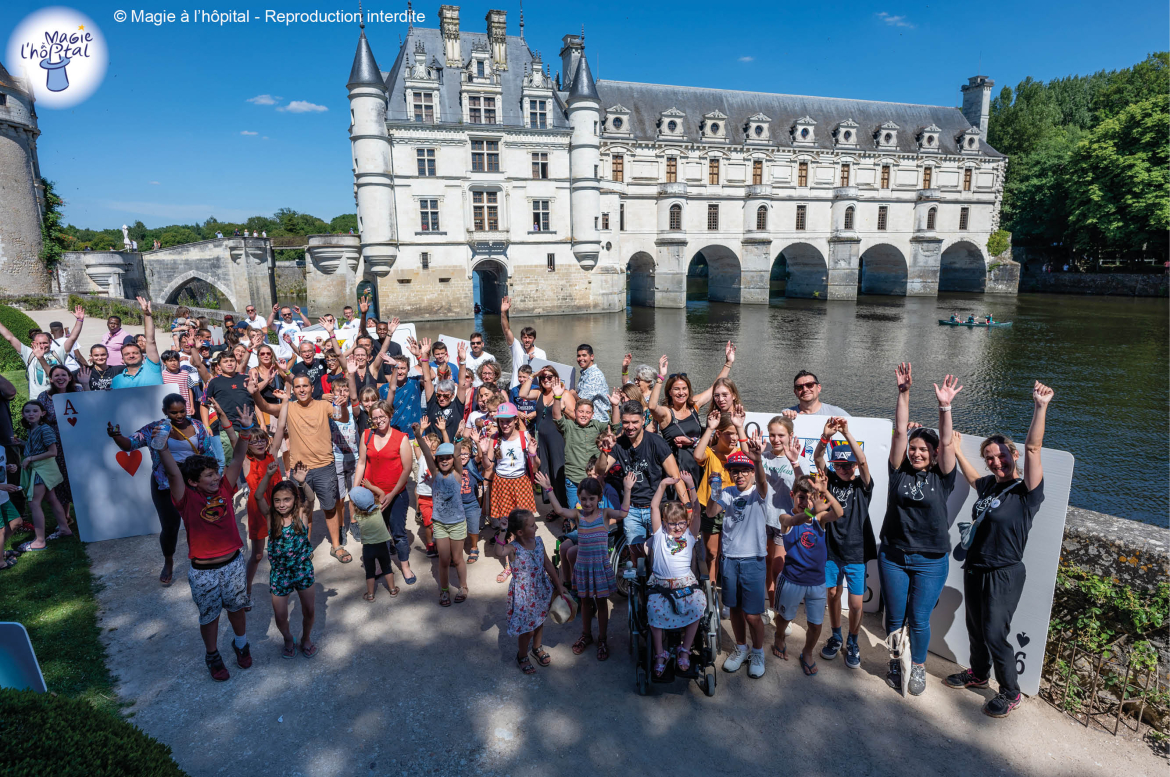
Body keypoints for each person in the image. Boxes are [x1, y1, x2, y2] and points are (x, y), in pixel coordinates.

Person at [946, 382, 1053, 718]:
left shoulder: (1027, 491)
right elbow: (975, 479)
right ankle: (978, 675)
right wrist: (961, 451)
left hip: (1005, 572)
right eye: (990, 458)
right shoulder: (991, 485)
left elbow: (1035, 448)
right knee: (975, 628)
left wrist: (1040, 406)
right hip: (976, 567)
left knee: (995, 633)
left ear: (1014, 455)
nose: (996, 462)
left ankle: (1010, 691)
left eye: (1001, 456)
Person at [156, 404, 255, 681]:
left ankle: (241, 643)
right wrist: (161, 447)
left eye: (215, 473)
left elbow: (236, 459)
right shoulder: (185, 498)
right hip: (203, 571)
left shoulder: (225, 487)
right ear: (193, 482)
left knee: (236, 608)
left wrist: (245, 431)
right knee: (209, 616)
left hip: (233, 564)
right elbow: (174, 473)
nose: (215, 478)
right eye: (208, 476)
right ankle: (212, 655)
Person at [880, 362, 962, 697]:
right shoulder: (898, 471)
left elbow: (945, 438)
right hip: (894, 555)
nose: (916, 452)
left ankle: (918, 667)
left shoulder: (943, 476)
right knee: (895, 617)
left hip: (930, 559)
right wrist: (903, 393)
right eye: (914, 448)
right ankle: (895, 660)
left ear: (935, 454)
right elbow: (900, 432)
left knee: (919, 619)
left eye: (923, 449)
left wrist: (945, 406)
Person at [110, 393, 218, 585]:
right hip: (165, 484)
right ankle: (168, 561)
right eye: (173, 412)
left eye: (182, 411)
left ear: (188, 408)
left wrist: (212, 480)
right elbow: (130, 444)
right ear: (165, 412)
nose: (179, 415)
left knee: (202, 520)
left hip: (194, 483)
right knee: (170, 527)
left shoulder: (198, 427)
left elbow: (208, 455)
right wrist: (117, 436)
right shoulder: (156, 428)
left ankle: (205, 557)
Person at [251, 375, 350, 564]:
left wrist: (343, 405)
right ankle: (305, 547)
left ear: (312, 388)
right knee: (304, 510)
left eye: (305, 386)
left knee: (330, 508)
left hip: (325, 466)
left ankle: (336, 545)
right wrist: (255, 392)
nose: (302, 389)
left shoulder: (323, 405)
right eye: (298, 387)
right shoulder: (289, 407)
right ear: (293, 390)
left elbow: (342, 418)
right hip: (299, 470)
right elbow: (265, 407)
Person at [537, 469, 633, 663]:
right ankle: (586, 635)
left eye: (591, 498)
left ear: (599, 498)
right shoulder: (578, 515)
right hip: (582, 568)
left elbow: (623, 512)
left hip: (599, 568)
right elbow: (559, 511)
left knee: (601, 604)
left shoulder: (605, 514)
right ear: (579, 499)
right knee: (586, 603)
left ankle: (602, 639)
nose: (587, 503)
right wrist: (548, 489)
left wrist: (627, 489)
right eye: (583, 499)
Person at [705, 441, 775, 679]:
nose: (739, 475)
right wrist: (714, 492)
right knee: (733, 608)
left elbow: (763, 482)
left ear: (752, 472)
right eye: (735, 470)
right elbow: (711, 512)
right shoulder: (727, 492)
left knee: (753, 614)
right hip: (730, 559)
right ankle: (741, 648)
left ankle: (757, 652)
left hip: (753, 560)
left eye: (744, 470)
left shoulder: (760, 492)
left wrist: (756, 460)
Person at [812, 418, 875, 670]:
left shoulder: (863, 485)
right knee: (832, 594)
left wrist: (847, 433)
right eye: (839, 465)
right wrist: (825, 437)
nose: (845, 469)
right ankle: (837, 635)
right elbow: (817, 458)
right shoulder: (830, 479)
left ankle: (854, 640)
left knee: (857, 603)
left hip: (856, 552)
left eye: (848, 465)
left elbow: (863, 462)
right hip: (831, 550)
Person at [771, 473, 844, 677]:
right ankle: (779, 638)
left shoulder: (818, 519)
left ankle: (807, 652)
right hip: (791, 580)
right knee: (784, 617)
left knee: (816, 624)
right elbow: (795, 519)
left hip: (817, 583)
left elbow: (838, 513)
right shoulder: (785, 518)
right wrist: (813, 510)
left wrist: (826, 492)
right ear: (793, 495)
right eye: (801, 497)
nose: (805, 502)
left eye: (810, 497)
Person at [595, 399, 688, 555]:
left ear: (643, 420)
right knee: (635, 551)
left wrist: (688, 509)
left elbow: (675, 477)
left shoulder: (656, 443)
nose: (630, 427)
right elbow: (600, 470)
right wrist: (604, 452)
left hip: (656, 507)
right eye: (626, 422)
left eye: (635, 422)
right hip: (632, 508)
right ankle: (638, 579)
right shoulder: (618, 444)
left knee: (659, 552)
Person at [645, 471, 705, 677]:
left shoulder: (689, 534)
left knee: (698, 603)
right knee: (653, 609)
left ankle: (685, 649)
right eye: (673, 523)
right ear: (664, 523)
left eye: (681, 523)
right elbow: (654, 506)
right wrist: (662, 485)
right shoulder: (660, 534)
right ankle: (660, 654)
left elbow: (696, 511)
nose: (677, 527)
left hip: (685, 582)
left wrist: (690, 486)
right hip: (661, 583)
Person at [256, 459, 318, 659]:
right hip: (280, 573)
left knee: (309, 610)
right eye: (277, 500)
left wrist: (302, 482)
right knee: (281, 615)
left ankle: (306, 638)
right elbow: (258, 496)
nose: (282, 504)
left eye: (287, 499)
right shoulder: (271, 517)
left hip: (302, 569)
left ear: (294, 500)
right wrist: (267, 475)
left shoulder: (301, 514)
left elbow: (311, 498)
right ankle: (288, 638)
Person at [353, 400, 416, 586]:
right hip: (371, 496)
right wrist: (356, 490)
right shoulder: (366, 435)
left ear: (389, 415)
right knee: (375, 535)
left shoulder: (401, 438)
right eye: (375, 417)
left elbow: (407, 469)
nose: (378, 420)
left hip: (396, 494)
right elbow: (362, 463)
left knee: (398, 533)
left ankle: (404, 566)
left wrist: (392, 493)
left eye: (382, 416)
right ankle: (381, 565)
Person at [478, 402, 541, 584]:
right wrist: (483, 452)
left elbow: (535, 466)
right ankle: (509, 565)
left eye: (508, 421)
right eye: (501, 421)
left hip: (521, 483)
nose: (504, 425)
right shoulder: (495, 438)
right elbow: (488, 465)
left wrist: (532, 454)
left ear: (515, 420)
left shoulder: (524, 436)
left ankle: (529, 559)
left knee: (526, 524)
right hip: (502, 484)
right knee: (506, 526)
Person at [501, 508, 566, 675]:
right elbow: (499, 551)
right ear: (520, 532)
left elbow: (548, 565)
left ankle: (536, 648)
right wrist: (502, 531)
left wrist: (559, 586)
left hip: (541, 589)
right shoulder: (513, 548)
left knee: (539, 621)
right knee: (527, 629)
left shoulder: (539, 541)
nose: (536, 527)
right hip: (523, 595)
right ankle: (522, 655)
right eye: (532, 525)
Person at [413, 426, 468, 606]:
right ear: (437, 460)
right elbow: (426, 453)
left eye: (448, 458)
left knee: (458, 558)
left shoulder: (458, 474)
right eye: (441, 458)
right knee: (443, 560)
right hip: (441, 523)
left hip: (458, 523)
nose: (444, 461)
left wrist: (458, 439)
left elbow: (458, 455)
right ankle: (444, 591)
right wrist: (417, 435)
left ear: (453, 459)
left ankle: (463, 586)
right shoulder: (435, 473)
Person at [694, 407, 743, 598]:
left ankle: (731, 594)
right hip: (710, 507)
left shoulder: (739, 452)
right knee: (712, 553)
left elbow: (751, 460)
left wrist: (741, 430)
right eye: (729, 434)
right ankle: (711, 593)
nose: (734, 438)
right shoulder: (710, 452)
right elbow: (697, 456)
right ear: (720, 433)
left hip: (734, 509)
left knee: (731, 555)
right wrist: (709, 428)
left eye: (736, 434)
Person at [15, 400, 71, 553]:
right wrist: (22, 443)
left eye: (35, 411)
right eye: (27, 411)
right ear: (23, 414)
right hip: (40, 469)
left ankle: (39, 541)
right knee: (52, 499)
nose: (31, 414)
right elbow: (36, 447)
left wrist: (30, 459)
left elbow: (53, 452)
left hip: (42, 470)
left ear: (42, 413)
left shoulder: (44, 429)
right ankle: (64, 529)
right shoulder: (32, 429)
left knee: (34, 503)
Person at [550, 378, 608, 513]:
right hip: (574, 479)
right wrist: (557, 397)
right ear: (575, 412)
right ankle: (574, 531)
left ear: (592, 415)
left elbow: (615, 426)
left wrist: (616, 406)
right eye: (581, 411)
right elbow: (557, 416)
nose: (584, 415)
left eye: (588, 412)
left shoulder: (597, 425)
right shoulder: (568, 426)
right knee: (575, 513)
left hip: (593, 478)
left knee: (595, 513)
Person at [515, 365, 568, 509]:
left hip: (557, 439)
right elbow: (522, 394)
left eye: (549, 377)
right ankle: (554, 506)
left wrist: (565, 409)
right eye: (543, 377)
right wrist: (532, 375)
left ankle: (565, 508)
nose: (546, 379)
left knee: (558, 472)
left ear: (556, 378)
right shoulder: (539, 393)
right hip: (541, 439)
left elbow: (574, 416)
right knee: (545, 472)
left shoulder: (564, 394)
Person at [36, 364, 84, 522]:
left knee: (80, 476)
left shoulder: (78, 391)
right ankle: (66, 517)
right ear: (50, 379)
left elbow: (92, 408)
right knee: (61, 479)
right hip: (55, 445)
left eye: (64, 375)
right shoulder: (43, 397)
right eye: (56, 376)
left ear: (70, 377)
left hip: (79, 442)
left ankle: (88, 514)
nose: (60, 378)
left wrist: (87, 384)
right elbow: (39, 421)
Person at [0, 306, 84, 396]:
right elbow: (10, 338)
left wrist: (79, 321)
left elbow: (72, 338)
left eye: (45, 343)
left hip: (57, 397)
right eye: (39, 343)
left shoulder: (58, 353)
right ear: (33, 343)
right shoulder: (28, 353)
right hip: (36, 398)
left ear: (50, 342)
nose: (42, 346)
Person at [349, 485, 398, 601]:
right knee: (387, 568)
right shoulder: (378, 509)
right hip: (382, 546)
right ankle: (393, 590)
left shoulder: (357, 516)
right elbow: (382, 493)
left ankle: (370, 595)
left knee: (370, 573)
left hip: (368, 549)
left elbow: (353, 512)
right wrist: (370, 486)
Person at [111, 298, 162, 389]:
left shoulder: (152, 368)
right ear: (122, 359)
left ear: (143, 356)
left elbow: (151, 340)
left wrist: (147, 315)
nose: (131, 356)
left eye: (135, 353)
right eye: (127, 354)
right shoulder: (116, 380)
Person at [499, 296, 546, 387]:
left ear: (534, 339)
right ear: (521, 338)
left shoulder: (541, 353)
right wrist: (503, 312)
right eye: (524, 337)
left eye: (530, 338)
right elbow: (506, 330)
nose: (527, 340)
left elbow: (543, 374)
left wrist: (535, 362)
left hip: (532, 390)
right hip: (515, 388)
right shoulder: (516, 346)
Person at [457, 438, 486, 565]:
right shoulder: (454, 465)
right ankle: (457, 551)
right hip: (457, 504)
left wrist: (477, 443)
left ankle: (474, 547)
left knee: (473, 527)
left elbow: (480, 455)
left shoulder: (472, 463)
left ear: (470, 454)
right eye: (460, 454)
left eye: (466, 453)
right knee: (457, 529)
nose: (463, 456)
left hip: (472, 502)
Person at [783, 371, 851, 419]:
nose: (805, 389)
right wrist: (787, 421)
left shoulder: (837, 413)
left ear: (818, 388)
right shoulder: (786, 415)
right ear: (795, 392)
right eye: (799, 387)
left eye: (809, 385)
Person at [569, 344, 609, 423]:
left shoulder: (594, 375)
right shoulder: (586, 372)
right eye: (579, 356)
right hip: (587, 415)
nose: (581, 359)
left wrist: (572, 393)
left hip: (597, 419)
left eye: (584, 355)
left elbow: (582, 402)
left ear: (592, 357)